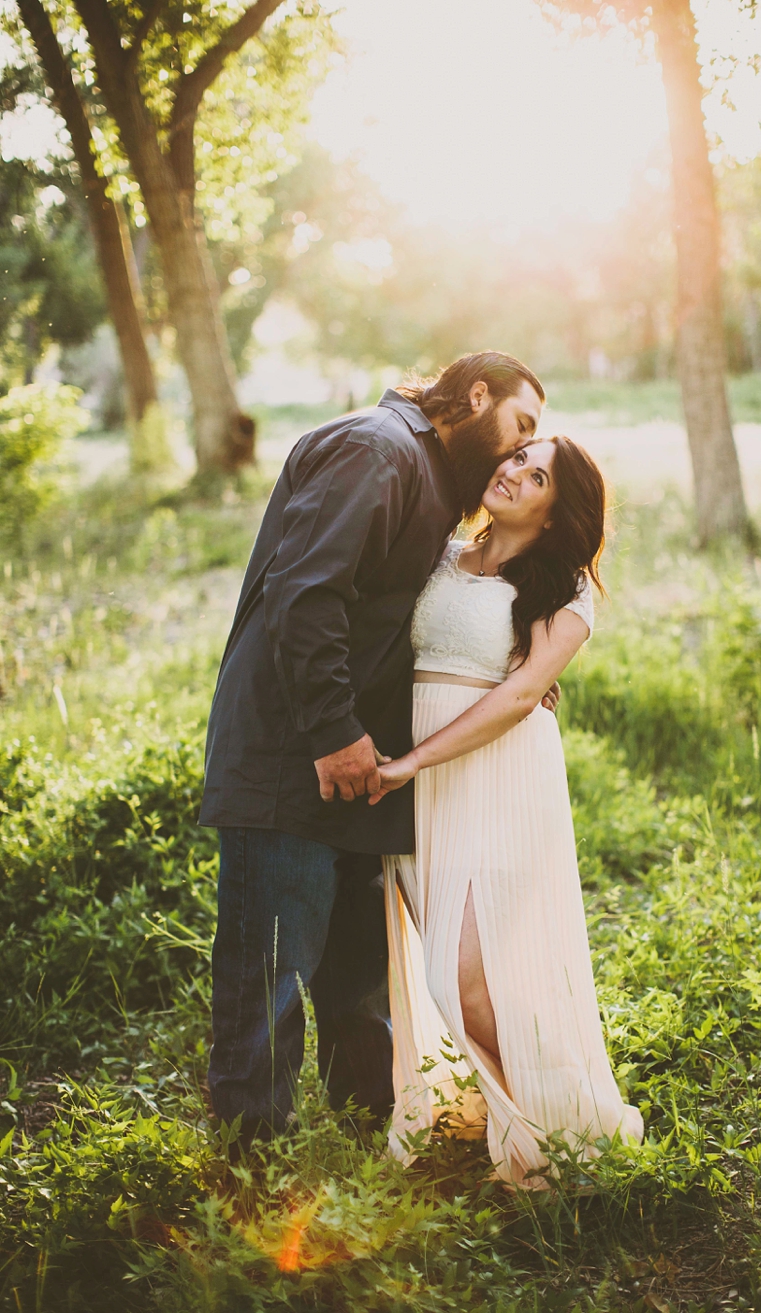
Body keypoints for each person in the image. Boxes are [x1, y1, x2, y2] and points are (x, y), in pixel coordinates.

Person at [199, 352, 549, 1144]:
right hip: (298, 759)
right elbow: (307, 592)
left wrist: (514, 667)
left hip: (364, 774)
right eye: (519, 428)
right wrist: (333, 734)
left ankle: (374, 1143)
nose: (518, 452)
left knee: (361, 984)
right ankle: (251, 1170)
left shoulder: (429, 479)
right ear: (477, 394)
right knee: (270, 979)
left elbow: (412, 615)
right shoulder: (377, 449)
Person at [372, 436, 644, 1186]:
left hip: (496, 776)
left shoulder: (564, 592)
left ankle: (552, 1128)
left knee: (461, 977)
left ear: (558, 512)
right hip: (420, 779)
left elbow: (522, 694)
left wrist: (413, 760)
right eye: (517, 456)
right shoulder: (443, 549)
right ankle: (516, 1111)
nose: (513, 472)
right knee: (445, 962)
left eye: (536, 475)